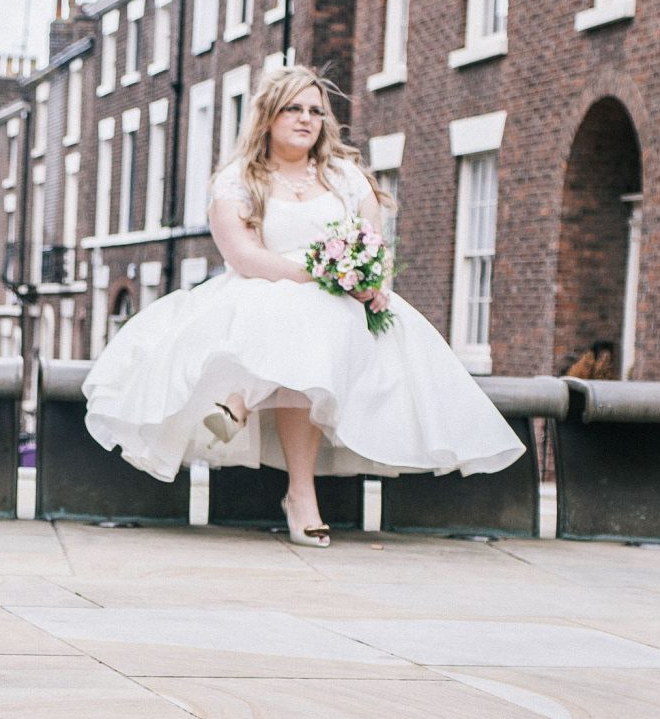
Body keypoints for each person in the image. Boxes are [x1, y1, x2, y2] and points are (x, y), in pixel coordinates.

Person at [82, 66, 523, 546]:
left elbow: (374, 246)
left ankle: (240, 402)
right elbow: (243, 257)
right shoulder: (238, 181)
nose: (306, 119)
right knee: (299, 311)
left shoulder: (345, 177)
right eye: (294, 108)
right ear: (269, 116)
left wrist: (372, 283)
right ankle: (298, 492)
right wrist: (320, 276)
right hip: (264, 288)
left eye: (316, 111)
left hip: (340, 303)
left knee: (319, 321)